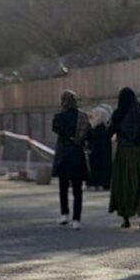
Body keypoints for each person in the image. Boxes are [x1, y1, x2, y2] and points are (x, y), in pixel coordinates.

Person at [108, 87, 140, 230]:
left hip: (125, 153)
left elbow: (109, 132)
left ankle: (126, 218)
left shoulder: (118, 114)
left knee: (124, 185)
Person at [52, 90, 91, 230]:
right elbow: (88, 135)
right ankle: (76, 219)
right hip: (77, 154)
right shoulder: (83, 117)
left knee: (63, 187)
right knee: (77, 189)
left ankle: (64, 214)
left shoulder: (59, 117)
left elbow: (56, 130)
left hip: (63, 155)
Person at [87, 106, 112, 191]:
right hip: (105, 153)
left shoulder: (96, 129)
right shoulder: (106, 128)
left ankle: (96, 182)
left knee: (96, 166)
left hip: (96, 152)